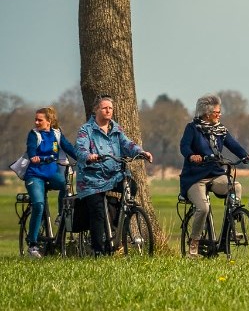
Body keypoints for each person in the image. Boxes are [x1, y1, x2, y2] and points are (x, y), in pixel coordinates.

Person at [179, 94, 249, 258]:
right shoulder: (192, 128)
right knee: (203, 208)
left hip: (215, 174)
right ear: (207, 114)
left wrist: (246, 156)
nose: (219, 114)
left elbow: (233, 144)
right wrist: (192, 156)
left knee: (235, 186)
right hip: (195, 177)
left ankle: (231, 229)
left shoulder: (220, 130)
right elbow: (184, 146)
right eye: (217, 112)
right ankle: (194, 242)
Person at [75, 95, 153, 256]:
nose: (108, 111)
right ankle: (98, 250)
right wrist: (88, 156)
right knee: (97, 212)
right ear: (96, 109)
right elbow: (80, 149)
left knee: (131, 186)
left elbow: (127, 144)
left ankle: (119, 228)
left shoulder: (116, 129)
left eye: (110, 108)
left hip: (114, 175)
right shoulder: (86, 130)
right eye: (104, 108)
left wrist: (141, 152)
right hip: (92, 179)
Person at [22, 107, 80, 258]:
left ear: (49, 121)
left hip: (51, 174)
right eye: (35, 119)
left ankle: (60, 215)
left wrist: (82, 159)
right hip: (34, 175)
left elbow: (69, 148)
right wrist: (34, 156)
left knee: (65, 185)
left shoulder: (56, 134)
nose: (36, 122)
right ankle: (33, 245)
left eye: (40, 120)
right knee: (38, 205)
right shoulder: (34, 134)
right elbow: (31, 148)